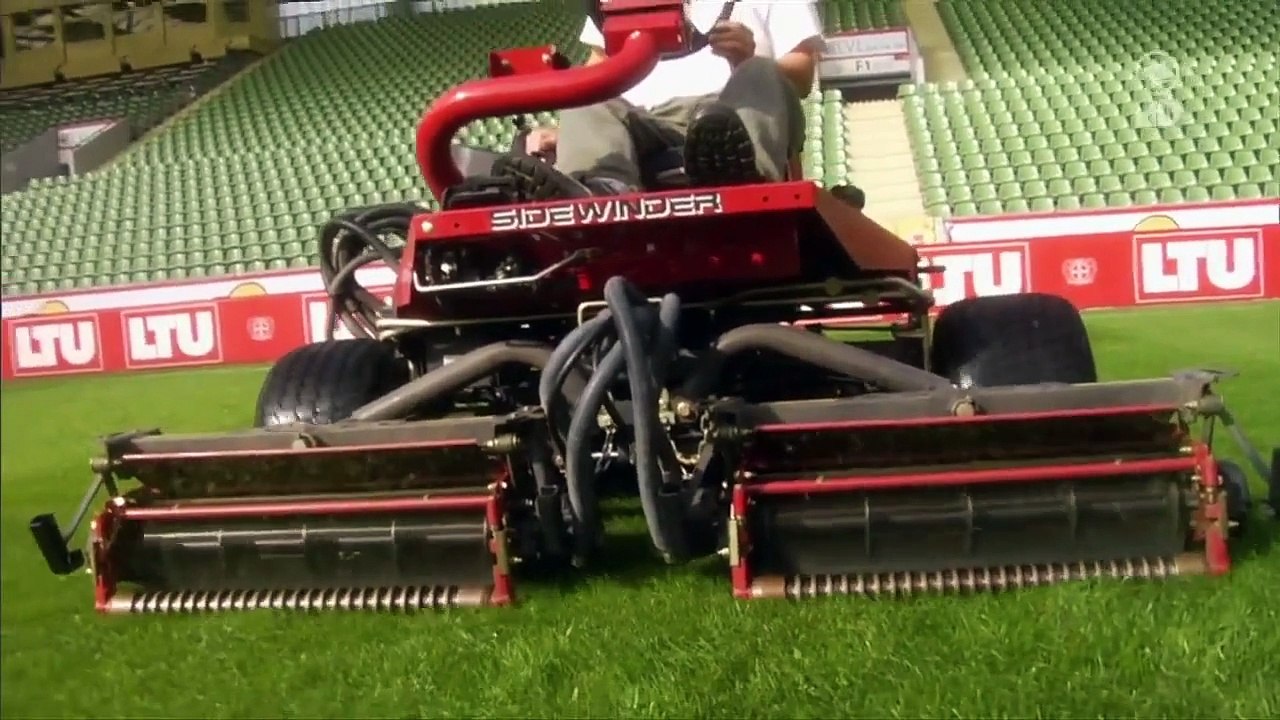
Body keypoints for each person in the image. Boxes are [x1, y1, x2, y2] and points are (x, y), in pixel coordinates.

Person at [491, 0, 826, 200]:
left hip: (732, 112)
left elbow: (801, 74)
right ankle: (602, 190)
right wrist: (569, 131)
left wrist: (746, 57)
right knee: (588, 94)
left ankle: (744, 175)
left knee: (760, 69)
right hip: (643, 120)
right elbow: (598, 69)